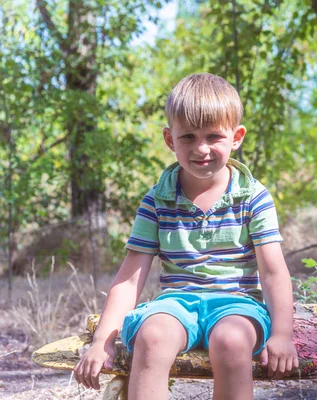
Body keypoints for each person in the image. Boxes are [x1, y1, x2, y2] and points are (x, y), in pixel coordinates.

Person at [74, 73, 298, 400]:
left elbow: (274, 271)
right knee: (151, 336)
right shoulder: (157, 200)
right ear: (170, 139)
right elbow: (130, 278)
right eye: (188, 137)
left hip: (237, 304)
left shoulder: (252, 197)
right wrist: (101, 341)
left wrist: (282, 334)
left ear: (236, 137)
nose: (201, 148)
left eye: (213, 136)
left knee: (231, 340)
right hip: (176, 303)